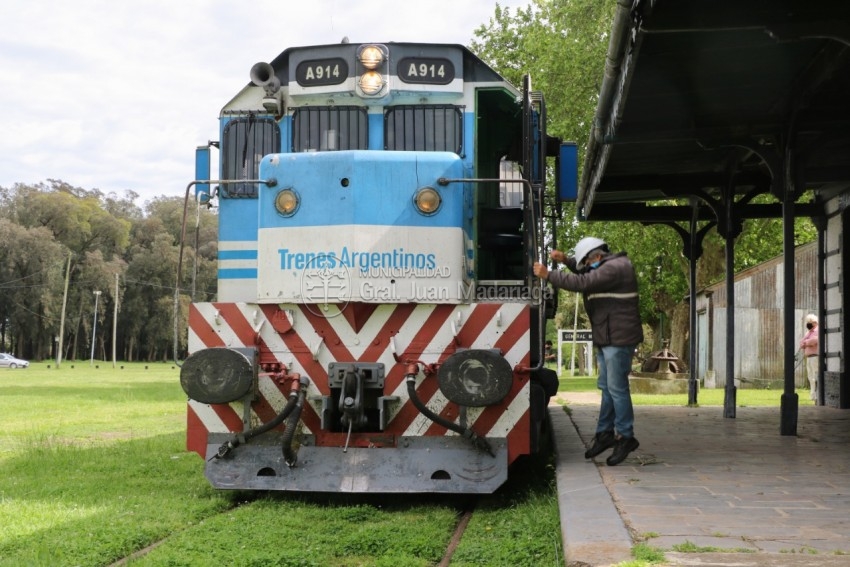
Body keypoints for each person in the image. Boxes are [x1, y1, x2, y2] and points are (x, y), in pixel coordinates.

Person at [533, 236, 643, 466]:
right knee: (606, 387)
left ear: (597, 256)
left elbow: (583, 282)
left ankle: (626, 436)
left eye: (587, 263)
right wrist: (566, 260)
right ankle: (605, 433)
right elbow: (585, 270)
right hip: (608, 335)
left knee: (617, 388)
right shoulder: (605, 265)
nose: (586, 267)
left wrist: (548, 274)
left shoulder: (616, 267)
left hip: (619, 338)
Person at [799, 313, 819, 403]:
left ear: (814, 322)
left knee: (815, 376)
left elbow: (815, 341)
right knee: (810, 377)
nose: (808, 324)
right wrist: (807, 342)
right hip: (809, 357)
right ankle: (812, 395)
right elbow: (801, 343)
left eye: (809, 322)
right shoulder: (808, 332)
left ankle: (817, 395)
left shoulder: (818, 330)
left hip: (815, 356)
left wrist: (806, 342)